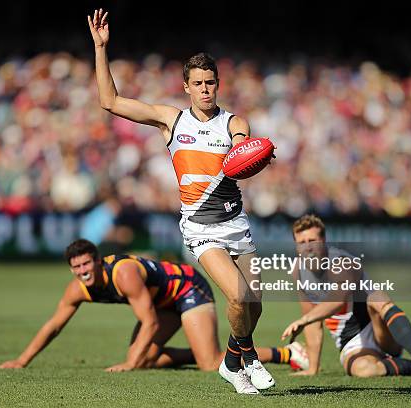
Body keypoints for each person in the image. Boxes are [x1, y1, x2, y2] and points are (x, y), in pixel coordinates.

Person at [88, 8, 275, 394]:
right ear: (186, 86)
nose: (206, 89)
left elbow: (243, 147)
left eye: (211, 82)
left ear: (218, 84)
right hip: (201, 227)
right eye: (198, 83)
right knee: (237, 296)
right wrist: (101, 48)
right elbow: (110, 101)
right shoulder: (171, 120)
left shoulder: (234, 123)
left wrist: (249, 153)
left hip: (236, 224)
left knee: (254, 303)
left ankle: (235, 359)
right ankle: (245, 362)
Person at [0, 239, 308, 372]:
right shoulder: (77, 289)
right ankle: (198, 351)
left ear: (97, 260)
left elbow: (149, 322)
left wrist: (131, 364)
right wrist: (22, 360)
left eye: (86, 264)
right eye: (77, 268)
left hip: (187, 288)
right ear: (72, 270)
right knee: (146, 357)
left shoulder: (124, 274)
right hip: (163, 304)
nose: (83, 272)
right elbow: (54, 326)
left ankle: (286, 354)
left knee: (210, 364)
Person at [280, 214, 411, 378]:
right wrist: (313, 367)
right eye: (302, 243)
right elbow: (312, 324)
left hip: (381, 329)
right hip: (351, 342)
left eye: (312, 241)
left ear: (324, 240)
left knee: (375, 298)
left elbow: (337, 300)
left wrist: (304, 319)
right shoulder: (298, 271)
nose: (308, 248)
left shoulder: (342, 262)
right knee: (364, 370)